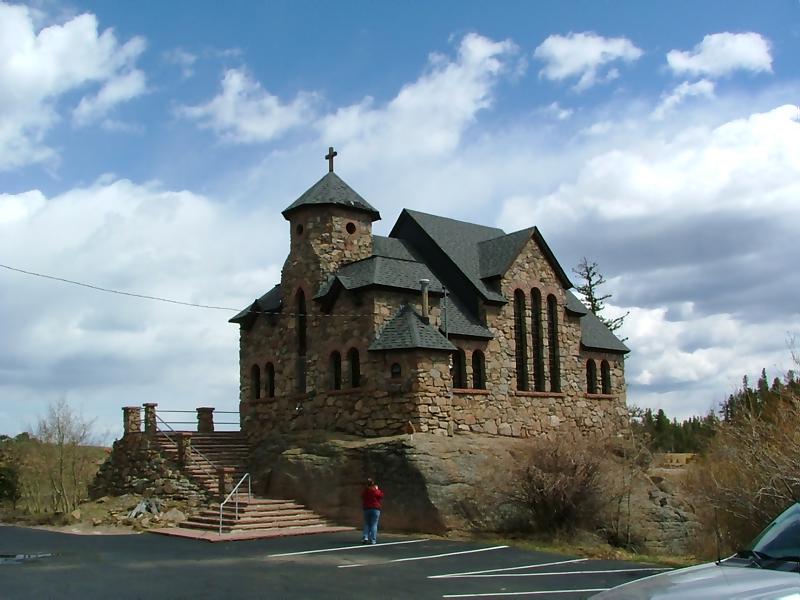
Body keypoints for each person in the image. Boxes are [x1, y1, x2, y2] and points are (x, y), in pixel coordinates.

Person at [361, 477, 384, 544]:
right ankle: (373, 540)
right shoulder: (375, 491)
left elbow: (362, 496)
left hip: (367, 508)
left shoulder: (365, 491)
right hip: (375, 509)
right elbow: (381, 495)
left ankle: (365, 537)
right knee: (374, 524)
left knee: (367, 523)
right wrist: (377, 489)